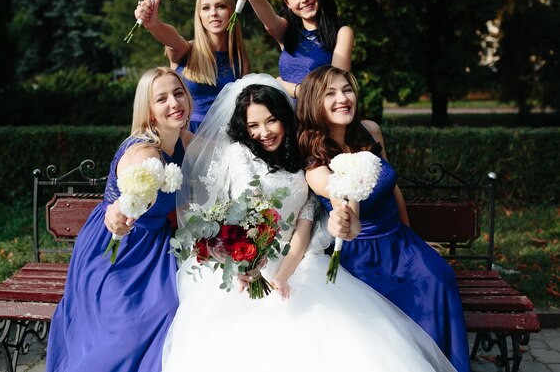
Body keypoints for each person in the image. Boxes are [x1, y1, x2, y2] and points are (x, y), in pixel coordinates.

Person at [161, 74, 458, 372]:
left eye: (271, 120)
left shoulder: (298, 155)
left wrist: (284, 274)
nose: (264, 132)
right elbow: (244, 209)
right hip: (250, 260)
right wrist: (250, 263)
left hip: (299, 257)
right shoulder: (241, 156)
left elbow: (305, 222)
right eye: (253, 125)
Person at [296, 65, 471, 372]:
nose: (343, 98)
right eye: (331, 93)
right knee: (386, 310)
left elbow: (393, 188)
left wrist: (412, 238)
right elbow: (343, 212)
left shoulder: (370, 131)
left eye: (347, 89)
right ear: (314, 102)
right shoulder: (315, 164)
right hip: (361, 253)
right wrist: (345, 215)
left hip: (400, 241)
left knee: (439, 277)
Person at [46, 67, 194, 372]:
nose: (174, 103)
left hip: (155, 247)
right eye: (162, 98)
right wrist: (116, 214)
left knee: (173, 311)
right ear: (149, 110)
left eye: (178, 93)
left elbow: (223, 152)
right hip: (118, 248)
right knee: (129, 327)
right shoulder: (145, 155)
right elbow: (121, 205)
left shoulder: (181, 138)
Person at [135, 0, 250, 131]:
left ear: (232, 11)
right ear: (199, 15)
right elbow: (172, 38)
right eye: (206, 8)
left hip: (224, 137)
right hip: (186, 135)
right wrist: (154, 24)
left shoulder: (239, 58)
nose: (213, 13)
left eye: (220, 6)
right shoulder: (186, 49)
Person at [236, 0, 353, 98]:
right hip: (284, 113)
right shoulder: (287, 31)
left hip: (318, 115)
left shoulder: (342, 33)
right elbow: (269, 19)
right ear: (287, 2)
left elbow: (336, 88)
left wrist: (284, 86)